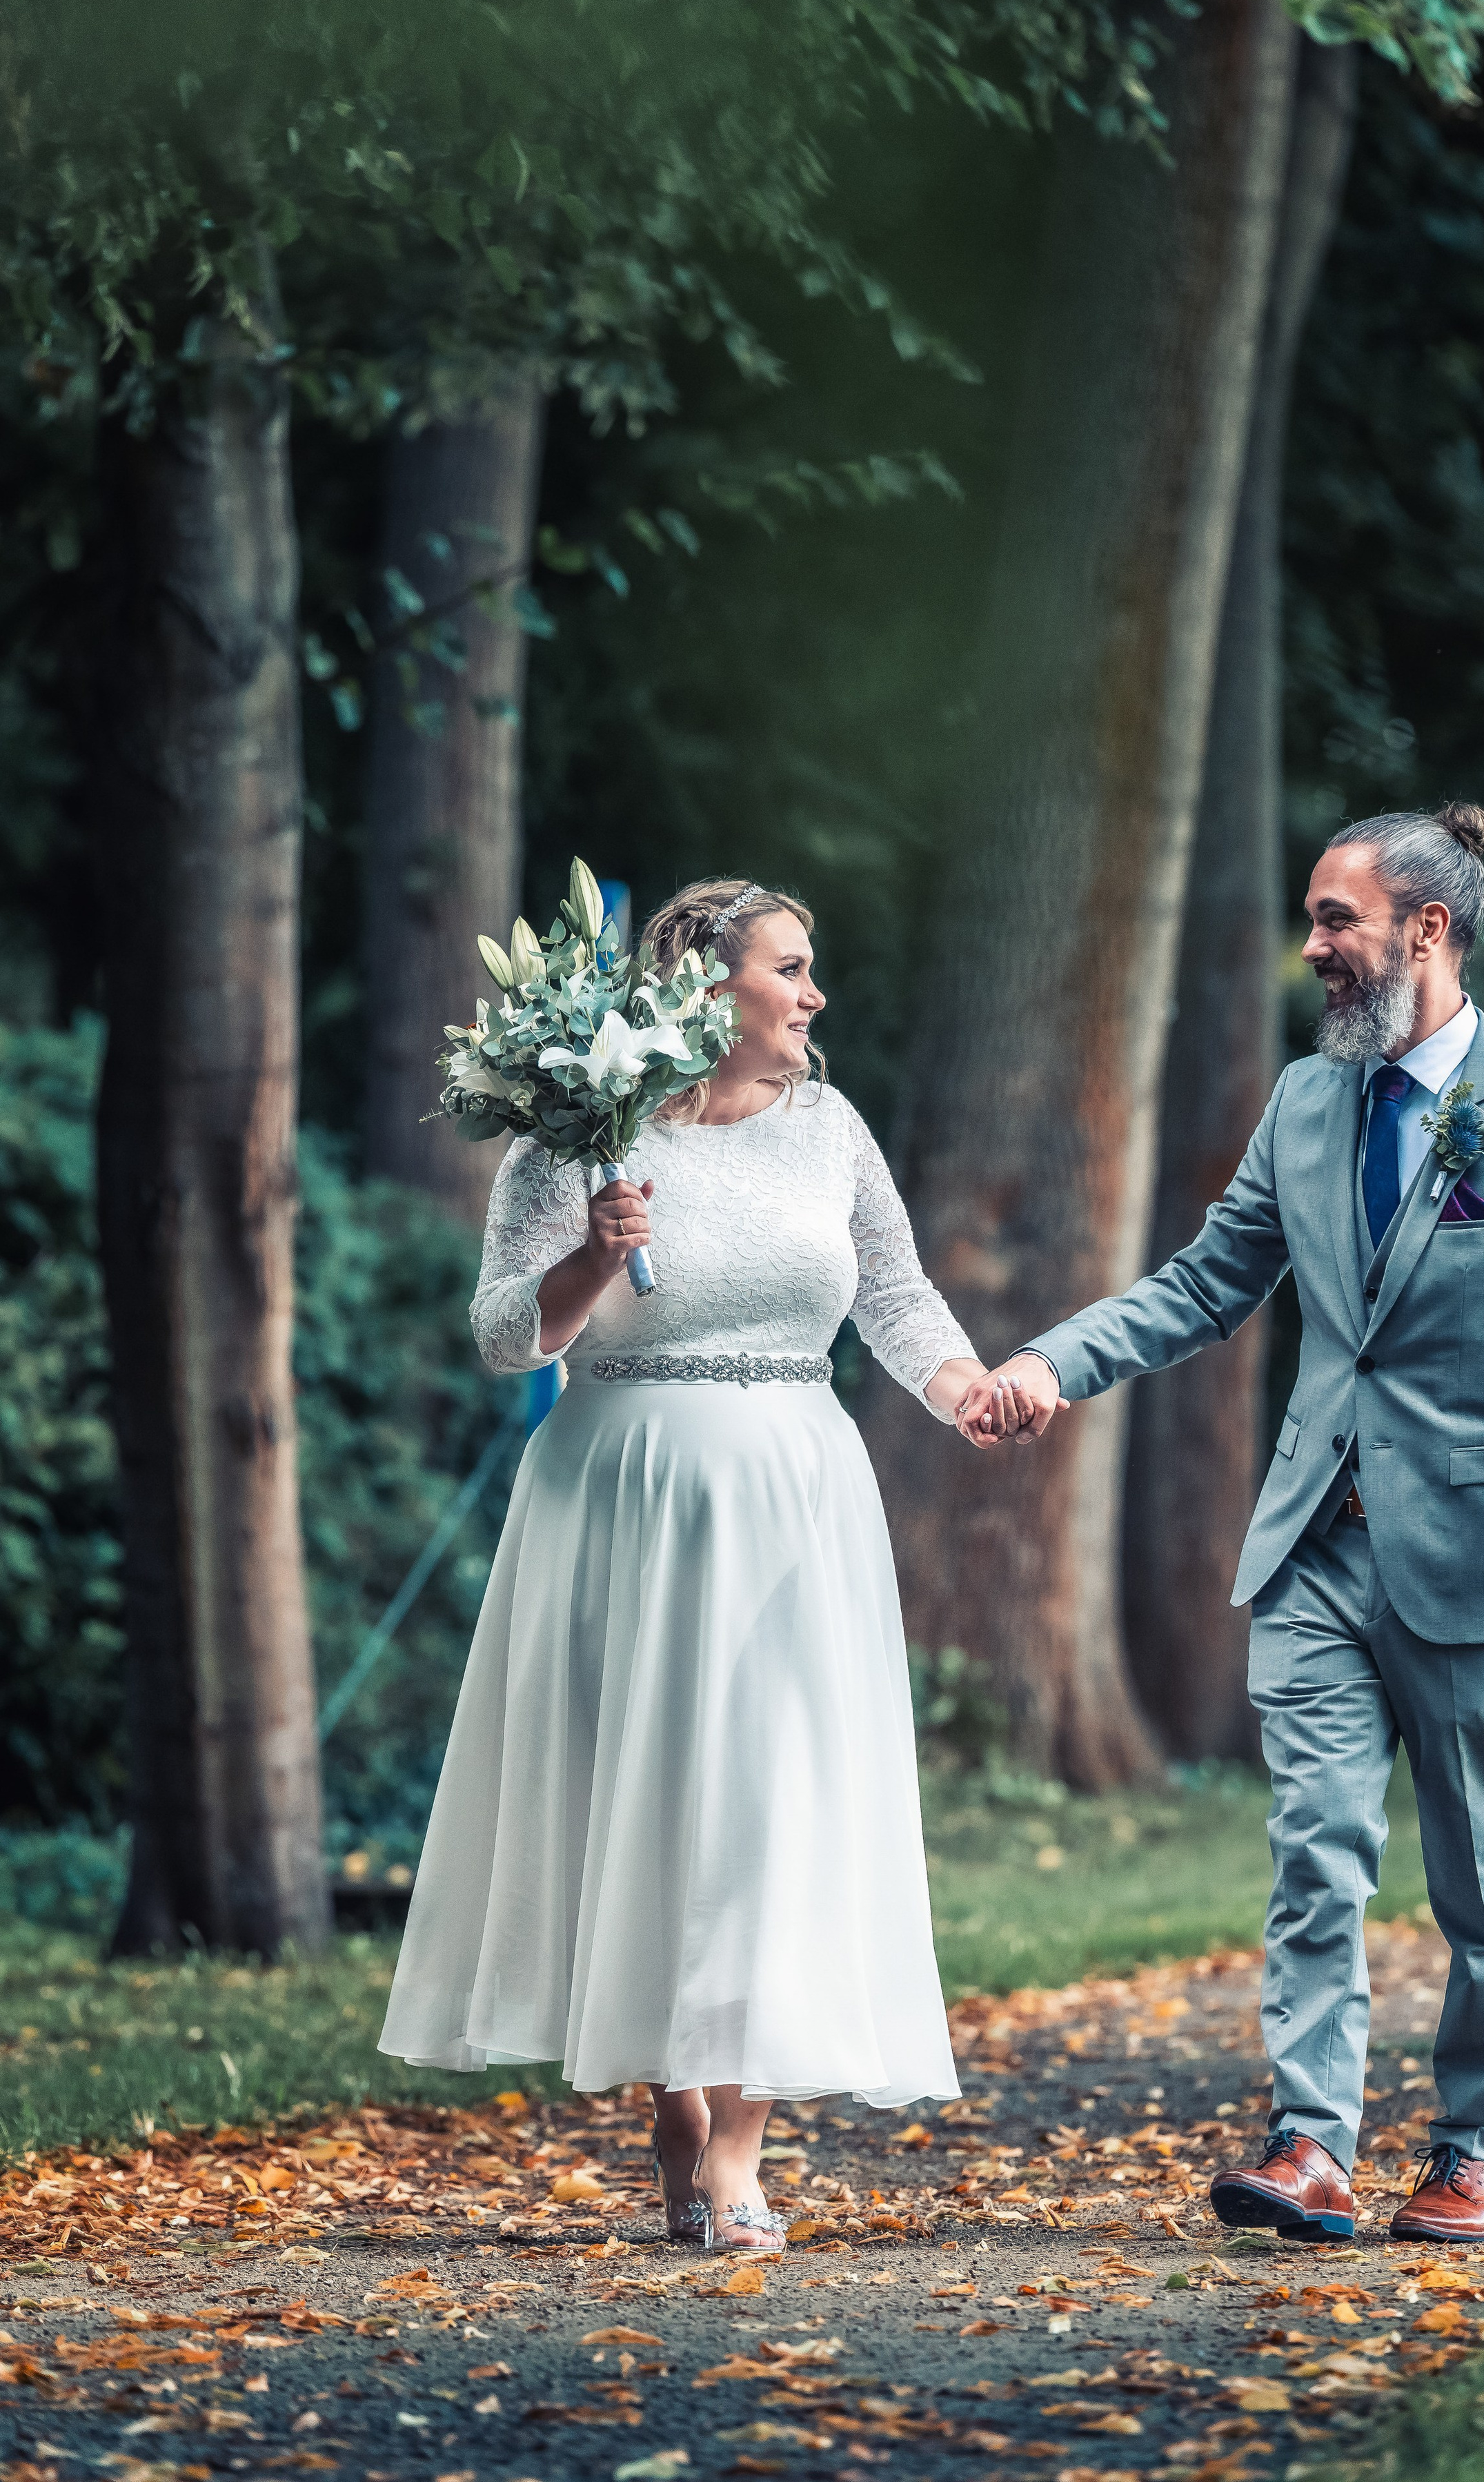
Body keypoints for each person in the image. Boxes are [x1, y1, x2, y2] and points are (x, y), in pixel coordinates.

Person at [956, 805, 1484, 2245]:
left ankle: (1473, 2148)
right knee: (1313, 1850)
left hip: (1478, 1555)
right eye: (1313, 917)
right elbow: (1206, 1282)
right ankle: (1310, 2144)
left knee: (1479, 1877)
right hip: (1311, 1549)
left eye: (1336, 919)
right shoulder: (1303, 1101)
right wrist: (1048, 1360)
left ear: (1425, 930)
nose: (1314, 946)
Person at [379, 877, 1025, 2251]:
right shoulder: (576, 1140)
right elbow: (507, 1334)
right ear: (704, 985)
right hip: (625, 1490)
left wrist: (964, 1387)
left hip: (794, 1487)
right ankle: (677, 2094)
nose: (812, 995)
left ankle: (739, 2143)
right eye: (789, 969)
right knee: (658, 1798)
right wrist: (589, 1265)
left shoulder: (828, 1130)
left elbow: (897, 1297)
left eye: (809, 969)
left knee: (777, 1800)